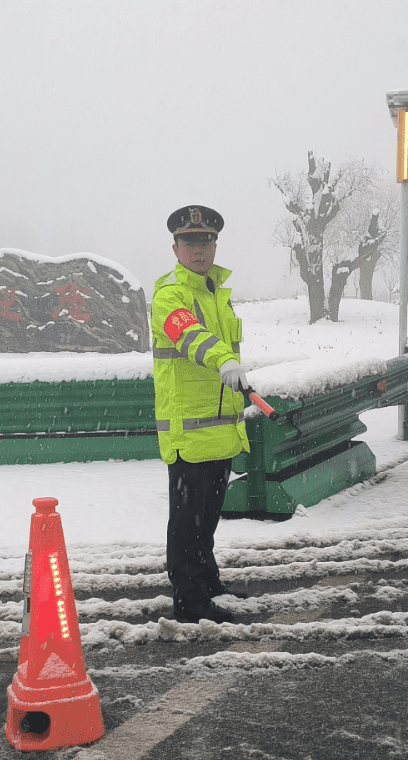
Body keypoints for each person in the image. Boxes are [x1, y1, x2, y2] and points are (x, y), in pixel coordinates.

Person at [151, 205, 251, 624]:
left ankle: (207, 583)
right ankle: (190, 602)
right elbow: (191, 336)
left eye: (205, 240)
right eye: (190, 241)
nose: (198, 248)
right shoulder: (170, 294)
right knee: (187, 524)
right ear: (175, 246)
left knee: (206, 520)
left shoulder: (216, 293)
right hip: (188, 433)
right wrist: (226, 360)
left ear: (214, 245)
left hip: (219, 431)